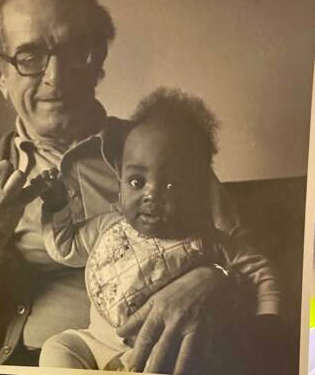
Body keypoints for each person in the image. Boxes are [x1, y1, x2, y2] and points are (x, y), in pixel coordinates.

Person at [0, 0, 261, 373]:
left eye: (75, 50)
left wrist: (213, 279)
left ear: (98, 60)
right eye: (30, 57)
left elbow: (252, 263)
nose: (56, 76)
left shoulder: (161, 152)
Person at [36, 88, 281, 373]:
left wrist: (268, 321)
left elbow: (261, 271)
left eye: (171, 185)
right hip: (98, 343)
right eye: (137, 182)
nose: (151, 195)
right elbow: (65, 247)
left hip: (163, 350)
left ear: (198, 191)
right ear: (120, 183)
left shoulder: (208, 242)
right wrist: (57, 204)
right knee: (59, 347)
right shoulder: (109, 227)